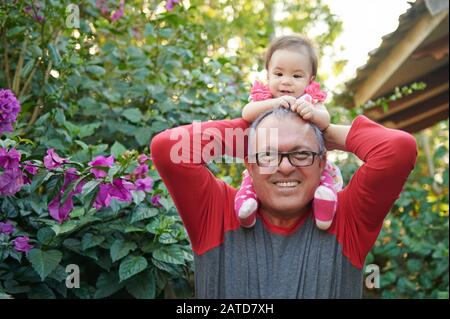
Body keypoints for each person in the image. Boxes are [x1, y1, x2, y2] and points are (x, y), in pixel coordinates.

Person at [150, 103, 417, 298]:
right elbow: (167, 149)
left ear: (322, 163)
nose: (286, 167)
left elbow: (397, 150)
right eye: (269, 155)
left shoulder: (347, 219)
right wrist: (258, 128)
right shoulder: (217, 213)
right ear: (250, 165)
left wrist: (325, 132)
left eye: (302, 154)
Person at [235, 35, 343, 230]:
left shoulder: (311, 100)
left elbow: (325, 120)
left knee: (323, 175)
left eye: (296, 76)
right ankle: (246, 208)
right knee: (251, 179)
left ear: (310, 80)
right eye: (279, 74)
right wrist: (274, 104)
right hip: (267, 160)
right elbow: (246, 113)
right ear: (268, 76)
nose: (286, 82)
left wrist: (312, 113)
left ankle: (324, 204)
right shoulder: (264, 99)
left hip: (307, 160)